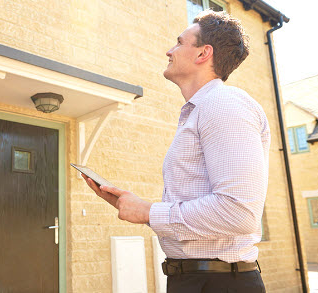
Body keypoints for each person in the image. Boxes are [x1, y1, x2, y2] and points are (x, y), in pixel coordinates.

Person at [82, 10, 270, 293]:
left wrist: (148, 212)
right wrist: (132, 206)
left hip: (219, 283)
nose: (169, 50)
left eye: (179, 42)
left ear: (203, 54)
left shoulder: (224, 104)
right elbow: (197, 220)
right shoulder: (201, 111)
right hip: (193, 279)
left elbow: (239, 212)